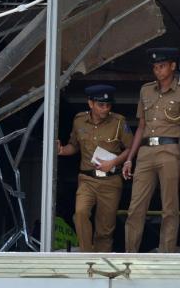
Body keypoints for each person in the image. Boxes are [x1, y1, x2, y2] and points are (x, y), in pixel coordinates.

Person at [123, 47, 180, 253]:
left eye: (162, 66)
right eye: (155, 67)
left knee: (169, 209)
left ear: (173, 66)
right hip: (145, 153)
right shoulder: (145, 90)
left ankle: (166, 256)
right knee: (135, 208)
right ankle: (130, 255)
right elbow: (141, 126)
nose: (158, 71)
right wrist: (130, 159)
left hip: (169, 151)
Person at [57, 84, 133, 252]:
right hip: (87, 179)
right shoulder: (79, 120)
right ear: (90, 103)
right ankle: (86, 255)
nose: (105, 109)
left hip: (111, 181)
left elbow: (131, 148)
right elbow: (73, 146)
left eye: (108, 105)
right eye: (101, 105)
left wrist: (113, 163)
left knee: (105, 230)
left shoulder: (119, 122)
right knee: (81, 214)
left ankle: (100, 265)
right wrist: (62, 150)